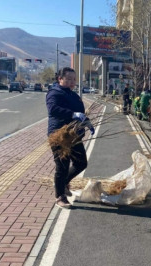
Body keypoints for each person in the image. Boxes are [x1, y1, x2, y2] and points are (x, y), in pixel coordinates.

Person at [46, 67, 94, 209]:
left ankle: (64, 183)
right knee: (62, 166)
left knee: (81, 163)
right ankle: (60, 196)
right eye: (69, 79)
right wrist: (73, 114)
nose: (72, 82)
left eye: (74, 79)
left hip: (74, 135)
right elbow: (53, 109)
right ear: (60, 79)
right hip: (59, 135)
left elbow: (81, 112)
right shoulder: (54, 93)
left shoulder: (73, 95)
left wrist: (86, 121)